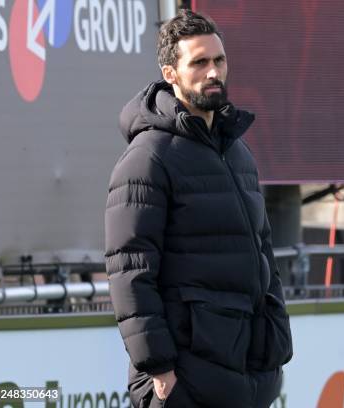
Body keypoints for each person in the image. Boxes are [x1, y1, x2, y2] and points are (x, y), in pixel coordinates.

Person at [105, 9, 292, 407]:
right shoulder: (148, 158)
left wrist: (274, 345)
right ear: (170, 74)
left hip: (246, 376)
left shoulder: (238, 152)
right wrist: (158, 366)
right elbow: (130, 269)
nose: (213, 72)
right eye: (200, 62)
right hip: (185, 381)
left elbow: (264, 254)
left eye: (219, 60)